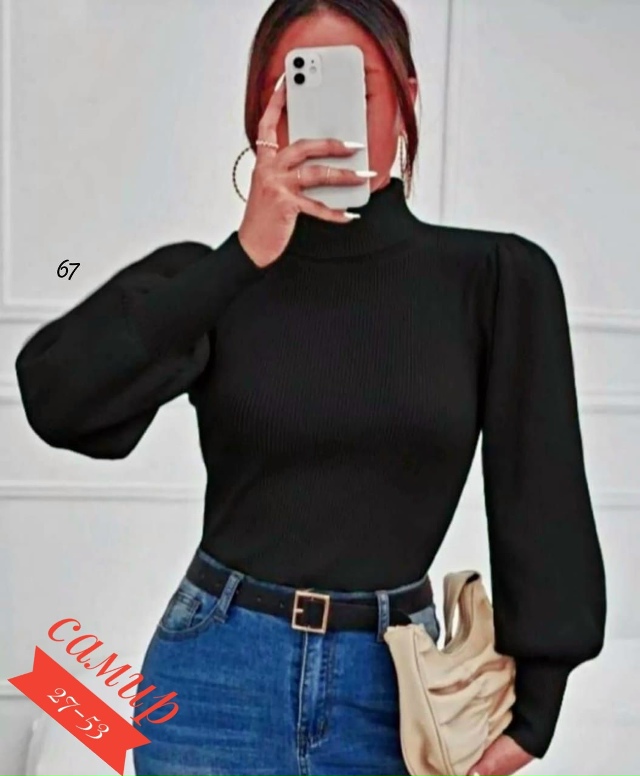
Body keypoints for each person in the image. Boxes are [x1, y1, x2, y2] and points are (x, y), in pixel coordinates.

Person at [14, 1, 606, 775]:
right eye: (297, 87)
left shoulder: (494, 279)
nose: (326, 118)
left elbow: (541, 492)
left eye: (354, 88)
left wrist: (537, 712)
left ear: (407, 99)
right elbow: (57, 399)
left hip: (395, 697)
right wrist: (241, 258)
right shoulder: (211, 279)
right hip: (214, 684)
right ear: (260, 115)